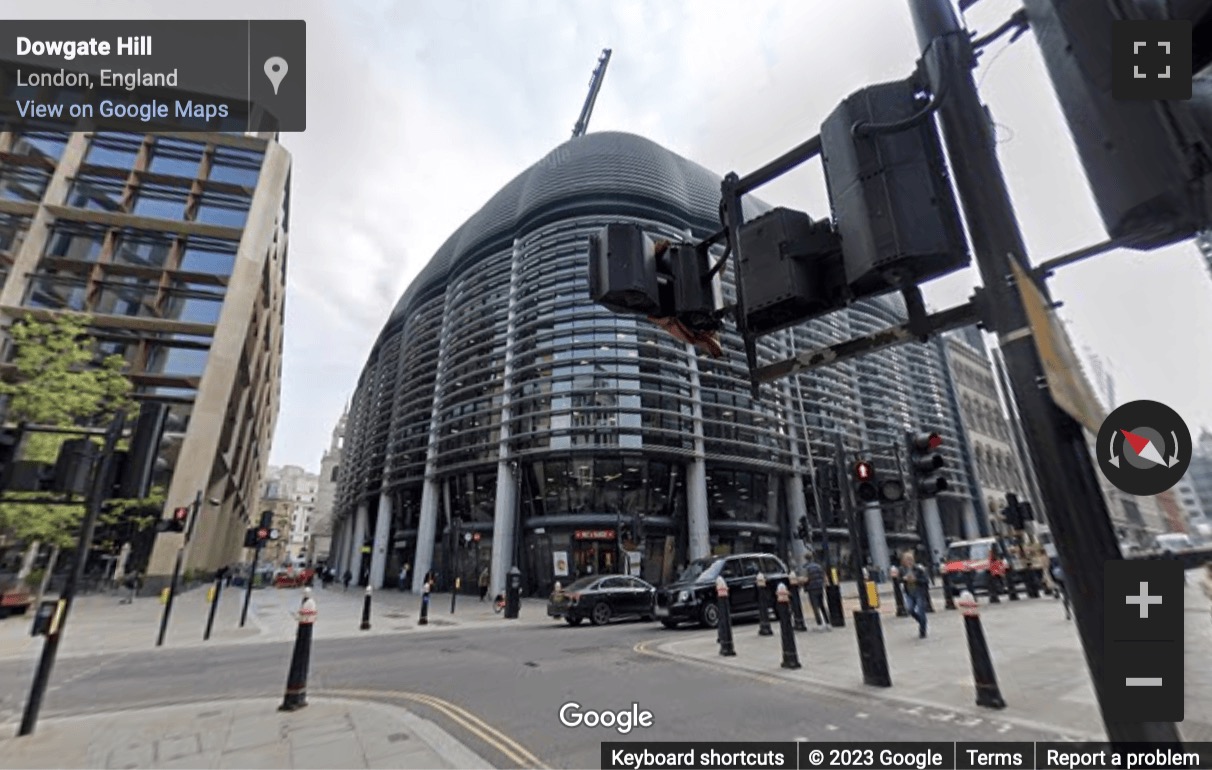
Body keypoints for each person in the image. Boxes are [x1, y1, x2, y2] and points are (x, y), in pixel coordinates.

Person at [900, 551, 929, 638]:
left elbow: (925, 580)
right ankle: (921, 621)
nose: (909, 561)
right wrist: (903, 579)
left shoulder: (919, 569)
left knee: (921, 610)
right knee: (910, 609)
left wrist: (915, 579)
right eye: (907, 560)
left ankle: (922, 630)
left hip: (919, 592)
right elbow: (898, 580)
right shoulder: (902, 570)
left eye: (910, 559)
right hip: (909, 593)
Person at [802, 556, 829, 630]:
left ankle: (819, 624)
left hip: (812, 588)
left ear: (806, 559)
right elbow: (824, 576)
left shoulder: (807, 568)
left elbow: (806, 579)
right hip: (820, 587)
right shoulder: (818, 566)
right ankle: (827, 622)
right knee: (822, 605)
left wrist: (801, 582)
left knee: (815, 607)